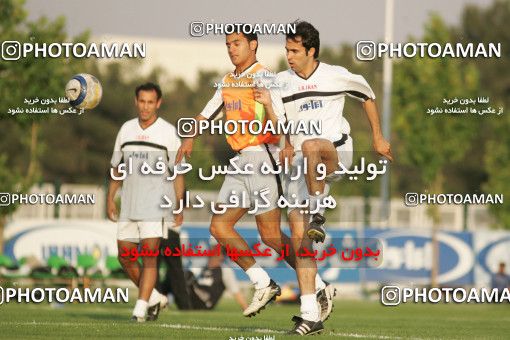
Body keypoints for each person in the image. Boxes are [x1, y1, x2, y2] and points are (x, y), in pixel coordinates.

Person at [176, 30, 332, 319]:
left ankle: (317, 286)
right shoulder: (227, 81)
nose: (231, 49)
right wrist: (188, 138)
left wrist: (286, 144)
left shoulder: (266, 77)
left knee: (271, 236)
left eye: (236, 44)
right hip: (240, 161)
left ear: (253, 44)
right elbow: (204, 114)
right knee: (219, 227)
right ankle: (263, 282)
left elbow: (283, 116)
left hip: (263, 157)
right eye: (227, 45)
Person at [277, 21, 393, 334]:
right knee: (300, 239)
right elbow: (280, 120)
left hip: (336, 153)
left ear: (311, 51)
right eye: (287, 49)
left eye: (294, 50)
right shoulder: (280, 83)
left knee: (314, 144)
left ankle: (318, 212)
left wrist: (378, 139)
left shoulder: (335, 74)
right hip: (302, 165)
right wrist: (286, 144)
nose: (288, 55)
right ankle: (310, 313)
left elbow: (367, 95)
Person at [107, 82, 185, 322]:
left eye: (151, 102)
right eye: (142, 101)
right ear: (136, 101)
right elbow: (117, 169)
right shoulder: (126, 129)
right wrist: (111, 198)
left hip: (155, 204)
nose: (145, 107)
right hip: (128, 204)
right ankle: (154, 298)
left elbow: (178, 172)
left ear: (158, 103)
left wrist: (179, 203)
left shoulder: (168, 132)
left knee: (150, 255)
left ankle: (140, 310)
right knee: (125, 256)